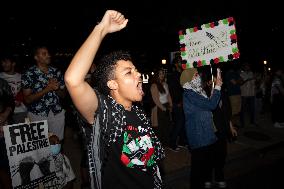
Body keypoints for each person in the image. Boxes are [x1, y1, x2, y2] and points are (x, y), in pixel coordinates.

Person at [64, 10, 164, 189]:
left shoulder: (137, 112)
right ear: (112, 84)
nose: (138, 75)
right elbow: (73, 80)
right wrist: (101, 29)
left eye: (136, 70)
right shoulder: (105, 113)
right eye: (128, 72)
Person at [182, 67, 222, 189]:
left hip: (206, 135)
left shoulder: (198, 91)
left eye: (197, 74)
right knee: (197, 172)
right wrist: (218, 87)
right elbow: (210, 105)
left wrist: (215, 85)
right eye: (195, 75)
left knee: (205, 167)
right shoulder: (189, 94)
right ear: (188, 79)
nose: (198, 77)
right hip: (199, 137)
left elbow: (208, 104)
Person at [21, 46, 66, 141]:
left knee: (57, 142)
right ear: (36, 57)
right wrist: (47, 89)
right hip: (37, 115)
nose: (48, 55)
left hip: (56, 113)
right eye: (44, 54)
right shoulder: (29, 74)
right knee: (40, 144)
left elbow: (63, 95)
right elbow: (27, 99)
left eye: (48, 53)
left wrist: (56, 89)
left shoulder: (56, 72)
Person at [0, 55, 27, 124]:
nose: (3, 64)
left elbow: (26, 92)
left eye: (6, 62)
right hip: (5, 113)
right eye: (2, 62)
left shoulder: (22, 76)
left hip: (20, 111)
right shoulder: (0, 77)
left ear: (13, 63)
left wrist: (20, 98)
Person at [150, 68, 173, 147]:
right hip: (158, 108)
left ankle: (165, 145)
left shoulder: (165, 84)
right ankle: (158, 147)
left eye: (162, 73)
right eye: (160, 74)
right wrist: (164, 108)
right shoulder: (154, 85)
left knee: (167, 127)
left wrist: (170, 105)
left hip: (166, 106)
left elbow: (168, 95)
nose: (162, 75)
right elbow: (156, 100)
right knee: (159, 129)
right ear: (157, 75)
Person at [0, 78, 15, 189]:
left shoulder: (2, 82)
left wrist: (6, 113)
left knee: (9, 162)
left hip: (5, 128)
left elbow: (10, 101)